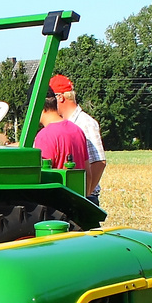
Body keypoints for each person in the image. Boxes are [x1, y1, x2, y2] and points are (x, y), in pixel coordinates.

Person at [51, 74, 106, 206]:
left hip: (85, 198)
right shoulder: (64, 124)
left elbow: (99, 162)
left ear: (60, 97)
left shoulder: (85, 123)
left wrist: (85, 195)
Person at [33, 92, 91, 177]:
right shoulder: (77, 130)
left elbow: (41, 176)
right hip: (78, 190)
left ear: (41, 108)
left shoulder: (44, 136)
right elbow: (88, 174)